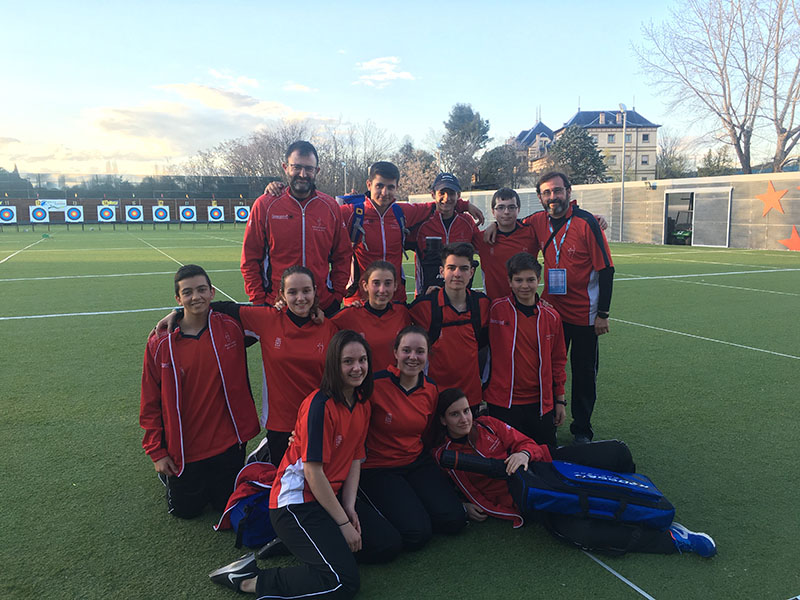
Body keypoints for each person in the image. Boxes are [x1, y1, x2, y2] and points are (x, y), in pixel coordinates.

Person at [209, 330, 402, 598]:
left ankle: (306, 545)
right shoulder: (319, 405)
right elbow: (313, 472)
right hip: (296, 502)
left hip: (328, 497)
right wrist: (343, 524)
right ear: (334, 364)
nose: (357, 368)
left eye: (362, 360)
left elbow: (355, 458)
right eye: (348, 361)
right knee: (341, 583)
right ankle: (247, 579)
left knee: (388, 545)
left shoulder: (361, 403)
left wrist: (349, 507)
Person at [433, 389, 717, 557]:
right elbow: (438, 495)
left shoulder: (487, 424)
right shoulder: (444, 456)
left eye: (466, 411)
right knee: (582, 531)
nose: (464, 419)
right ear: (443, 420)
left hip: (548, 465)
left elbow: (527, 443)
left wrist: (524, 454)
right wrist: (463, 505)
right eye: (455, 414)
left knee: (617, 453)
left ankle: (638, 497)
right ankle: (674, 540)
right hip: (534, 500)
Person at [264, 161, 485, 305]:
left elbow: (439, 204)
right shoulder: (351, 213)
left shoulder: (403, 212)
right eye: (379, 186)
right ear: (369, 184)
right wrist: (281, 190)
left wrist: (464, 205)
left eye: (391, 187)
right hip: (359, 300)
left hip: (395, 298)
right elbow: (317, 208)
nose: (384, 192)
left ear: (397, 187)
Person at [140, 264, 260, 518]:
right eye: (188, 292)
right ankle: (170, 479)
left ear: (212, 292)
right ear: (178, 298)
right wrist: (156, 452)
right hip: (186, 448)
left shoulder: (231, 327)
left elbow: (270, 317)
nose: (196, 297)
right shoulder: (160, 342)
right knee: (185, 512)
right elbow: (150, 401)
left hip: (229, 444)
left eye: (202, 290)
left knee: (224, 505)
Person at [521, 172, 615, 444]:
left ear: (568, 192)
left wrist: (603, 314)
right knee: (547, 369)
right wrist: (493, 226)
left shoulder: (587, 222)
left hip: (585, 316)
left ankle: (582, 430)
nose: (553, 197)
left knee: (584, 374)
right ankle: (548, 421)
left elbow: (606, 270)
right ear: (540, 197)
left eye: (557, 191)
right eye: (547, 193)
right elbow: (512, 225)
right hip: (551, 313)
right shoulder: (537, 221)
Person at [212, 266, 338, 465]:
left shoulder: (329, 327)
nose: (300, 298)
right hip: (281, 422)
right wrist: (178, 314)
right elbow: (223, 308)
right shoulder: (268, 319)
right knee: (283, 478)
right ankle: (265, 452)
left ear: (315, 291)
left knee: (317, 476)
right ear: (282, 294)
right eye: (292, 292)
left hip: (318, 418)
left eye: (306, 291)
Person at [359, 326, 465, 550]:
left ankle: (415, 507)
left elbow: (429, 432)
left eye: (420, 351)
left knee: (454, 520)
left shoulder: (431, 389)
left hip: (416, 462)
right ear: (395, 353)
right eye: (406, 350)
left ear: (427, 355)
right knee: (417, 533)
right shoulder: (374, 386)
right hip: (380, 468)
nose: (413, 357)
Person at [241, 140, 351, 316]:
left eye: (309, 169)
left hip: (322, 306)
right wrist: (260, 301)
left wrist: (336, 296)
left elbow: (343, 256)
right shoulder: (265, 205)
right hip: (277, 306)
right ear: (285, 167)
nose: (303, 174)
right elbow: (250, 258)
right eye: (296, 167)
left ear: (317, 171)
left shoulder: (330, 206)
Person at [484, 252, 566, 446]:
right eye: (518, 280)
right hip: (503, 402)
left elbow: (558, 361)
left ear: (539, 280)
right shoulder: (495, 309)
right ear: (509, 282)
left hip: (540, 404)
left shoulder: (552, 316)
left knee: (544, 456)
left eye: (530, 280)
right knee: (505, 456)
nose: (524, 286)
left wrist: (560, 401)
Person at [409, 243, 489, 408]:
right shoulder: (423, 306)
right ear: (442, 271)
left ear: (471, 272)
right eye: (451, 268)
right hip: (434, 398)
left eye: (463, 268)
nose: (457, 274)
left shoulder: (483, 304)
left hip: (470, 398)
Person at [331, 260, 412, 369]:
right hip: (364, 379)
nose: (382, 290)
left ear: (395, 286)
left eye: (388, 283)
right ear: (365, 286)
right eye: (376, 283)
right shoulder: (349, 315)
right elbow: (322, 328)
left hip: (395, 379)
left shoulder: (402, 312)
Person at [411, 173, 482, 294]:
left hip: (460, 296)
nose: (447, 198)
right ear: (433, 194)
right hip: (428, 294)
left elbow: (483, 246)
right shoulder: (421, 223)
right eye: (442, 193)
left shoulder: (467, 222)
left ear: (458, 195)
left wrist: (495, 226)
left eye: (451, 193)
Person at [472, 188, 537, 300]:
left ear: (518, 209)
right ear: (493, 211)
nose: (506, 212)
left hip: (525, 303)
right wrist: (465, 205)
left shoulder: (532, 234)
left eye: (511, 207)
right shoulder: (483, 238)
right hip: (494, 304)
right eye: (501, 207)